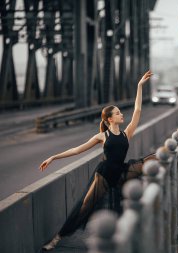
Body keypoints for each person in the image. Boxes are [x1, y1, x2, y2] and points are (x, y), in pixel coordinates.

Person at [39, 70, 154, 251]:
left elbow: (137, 109)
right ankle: (57, 239)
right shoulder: (102, 135)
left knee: (151, 160)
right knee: (85, 206)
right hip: (104, 175)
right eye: (117, 113)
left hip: (122, 172)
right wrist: (53, 157)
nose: (121, 114)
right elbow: (77, 150)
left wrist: (140, 85)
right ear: (110, 119)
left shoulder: (127, 133)